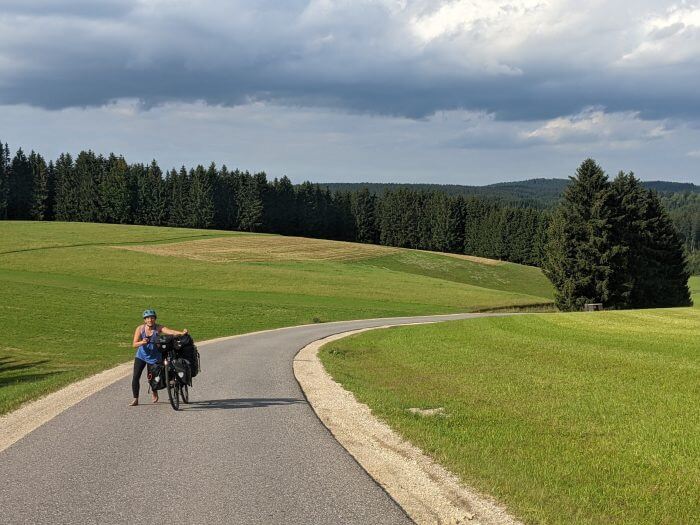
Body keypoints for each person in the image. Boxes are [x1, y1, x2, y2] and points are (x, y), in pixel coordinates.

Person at [130, 309, 188, 406]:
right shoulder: (140, 329)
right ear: (145, 320)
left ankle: (154, 392)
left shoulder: (158, 328)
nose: (150, 320)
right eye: (148, 318)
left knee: (151, 378)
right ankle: (135, 398)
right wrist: (142, 342)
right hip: (141, 356)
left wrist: (182, 333)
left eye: (152, 318)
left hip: (155, 357)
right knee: (136, 377)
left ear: (155, 319)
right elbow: (134, 344)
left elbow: (170, 331)